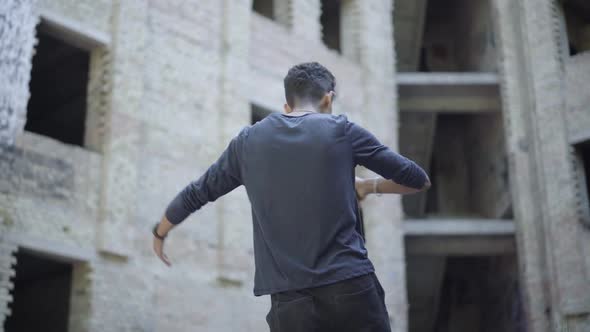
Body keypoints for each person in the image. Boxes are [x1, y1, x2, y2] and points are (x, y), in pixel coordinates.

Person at [152, 62, 430, 332]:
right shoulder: (341, 130)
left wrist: (160, 232)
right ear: (328, 99)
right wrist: (369, 186)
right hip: (350, 287)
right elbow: (417, 179)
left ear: (287, 106)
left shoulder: (247, 142)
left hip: (289, 304)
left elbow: (196, 193)